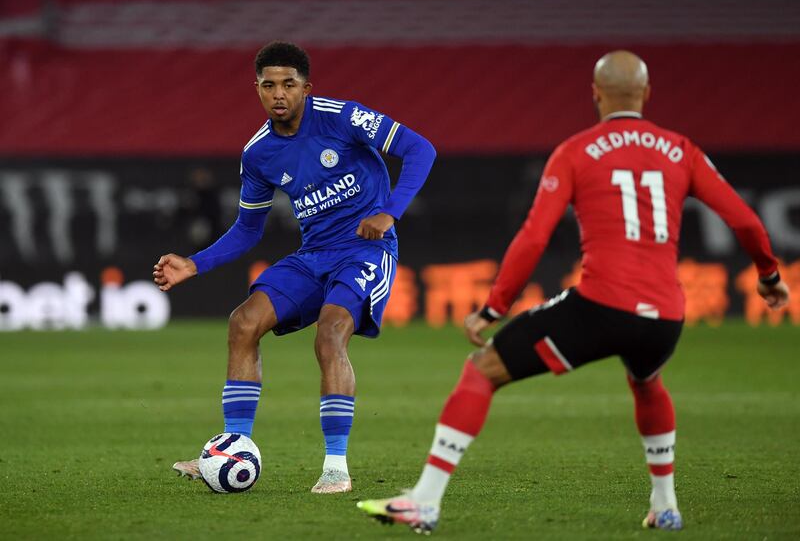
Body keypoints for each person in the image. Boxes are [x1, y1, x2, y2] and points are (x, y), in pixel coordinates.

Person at [357, 50, 789, 533]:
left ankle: (425, 501)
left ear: (595, 94)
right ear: (646, 95)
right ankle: (665, 504)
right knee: (646, 381)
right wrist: (770, 276)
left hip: (602, 306)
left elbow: (535, 237)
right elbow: (745, 221)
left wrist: (494, 306)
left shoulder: (577, 151)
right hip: (666, 316)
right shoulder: (680, 150)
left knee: (482, 371)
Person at [153, 41, 435, 493]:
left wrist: (390, 212)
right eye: (269, 85)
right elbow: (248, 229)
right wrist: (195, 263)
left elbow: (420, 149)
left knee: (330, 332)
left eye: (289, 84)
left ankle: (335, 468)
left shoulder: (343, 117)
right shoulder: (259, 153)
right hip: (314, 255)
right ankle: (233, 447)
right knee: (243, 323)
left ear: (307, 87)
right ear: (257, 89)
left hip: (366, 251)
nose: (279, 93)